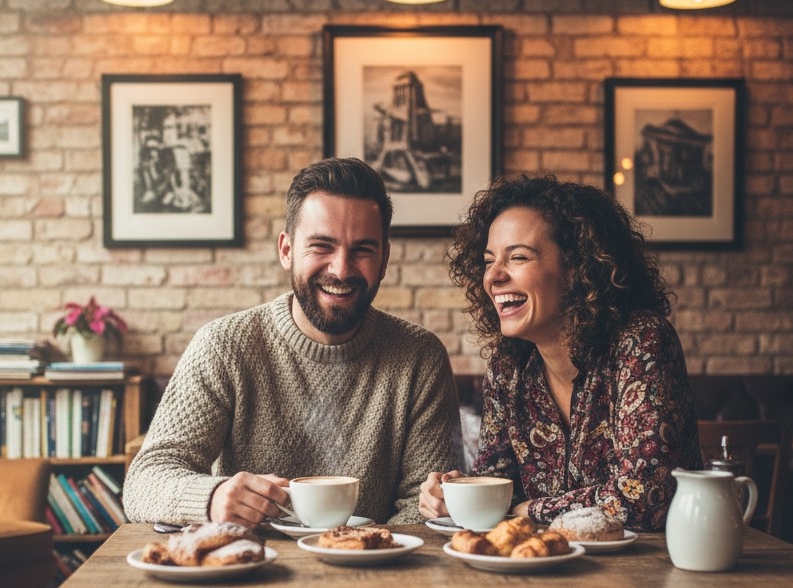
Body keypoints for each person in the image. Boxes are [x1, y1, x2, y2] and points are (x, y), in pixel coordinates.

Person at [123, 157, 462, 528]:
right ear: (286, 251)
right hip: (249, 568)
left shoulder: (420, 357)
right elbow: (143, 482)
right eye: (321, 246)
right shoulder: (223, 346)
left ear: (384, 260)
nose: (342, 269)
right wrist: (214, 497)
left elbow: (424, 505)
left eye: (363, 250)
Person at [418, 175, 701, 532]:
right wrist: (457, 494)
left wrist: (528, 511)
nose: (494, 276)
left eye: (518, 257)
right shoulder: (509, 365)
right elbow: (496, 484)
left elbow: (645, 498)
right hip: (545, 567)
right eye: (489, 261)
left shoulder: (641, 341)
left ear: (578, 268)